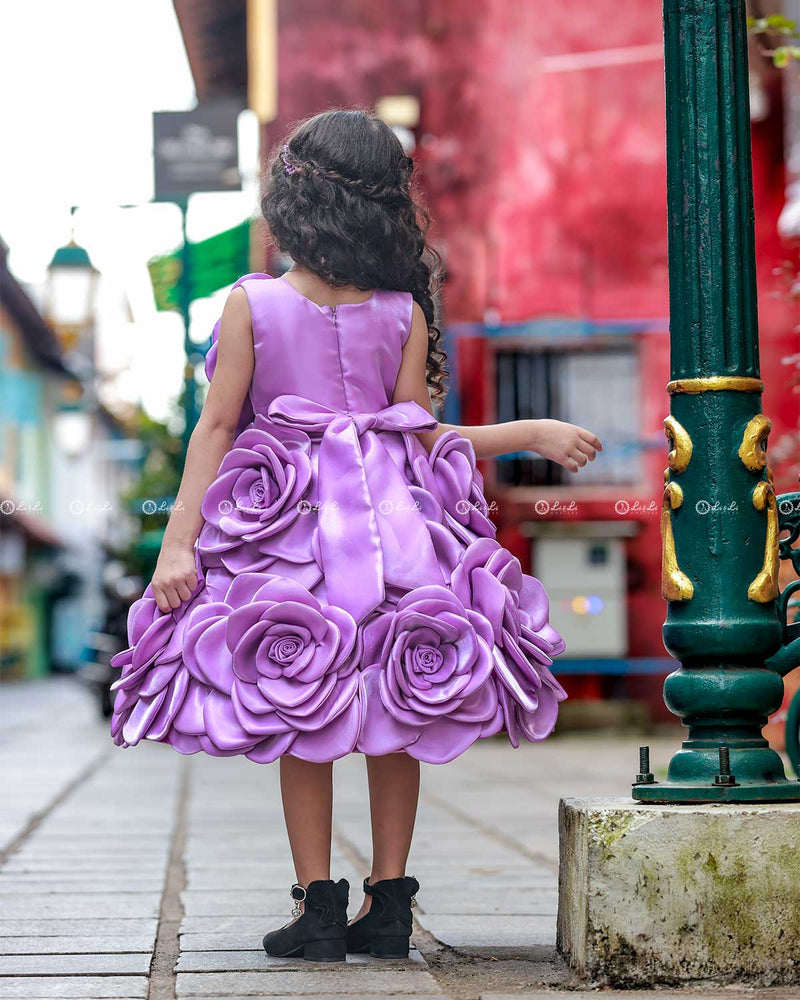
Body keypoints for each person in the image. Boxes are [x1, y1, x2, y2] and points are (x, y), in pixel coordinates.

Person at [110, 108, 602, 963]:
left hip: (287, 529)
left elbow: (217, 428)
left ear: (293, 201)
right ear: (383, 206)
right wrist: (529, 432)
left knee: (297, 701)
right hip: (396, 529)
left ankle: (319, 908)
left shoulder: (251, 304)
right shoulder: (401, 310)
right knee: (392, 703)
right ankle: (389, 901)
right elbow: (418, 438)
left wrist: (178, 541)